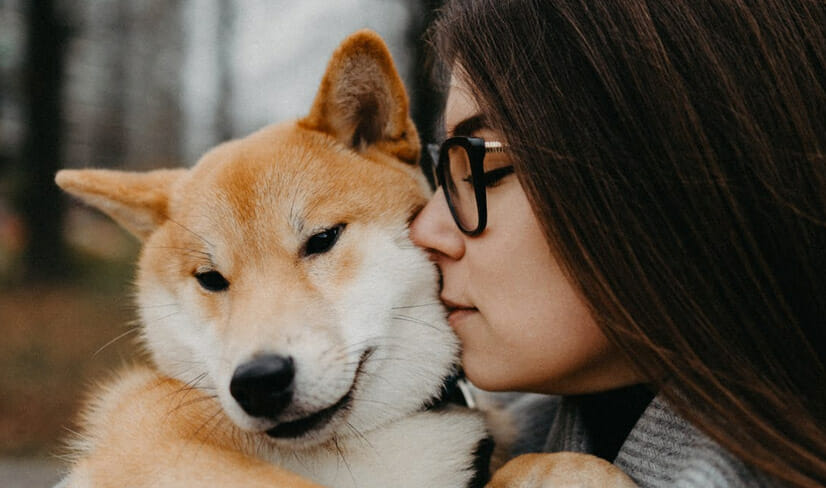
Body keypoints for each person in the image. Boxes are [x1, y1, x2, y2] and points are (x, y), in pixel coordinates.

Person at [409, 1, 826, 487]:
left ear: (669, 170)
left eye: (485, 170)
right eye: (442, 172)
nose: (425, 230)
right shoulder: (495, 449)